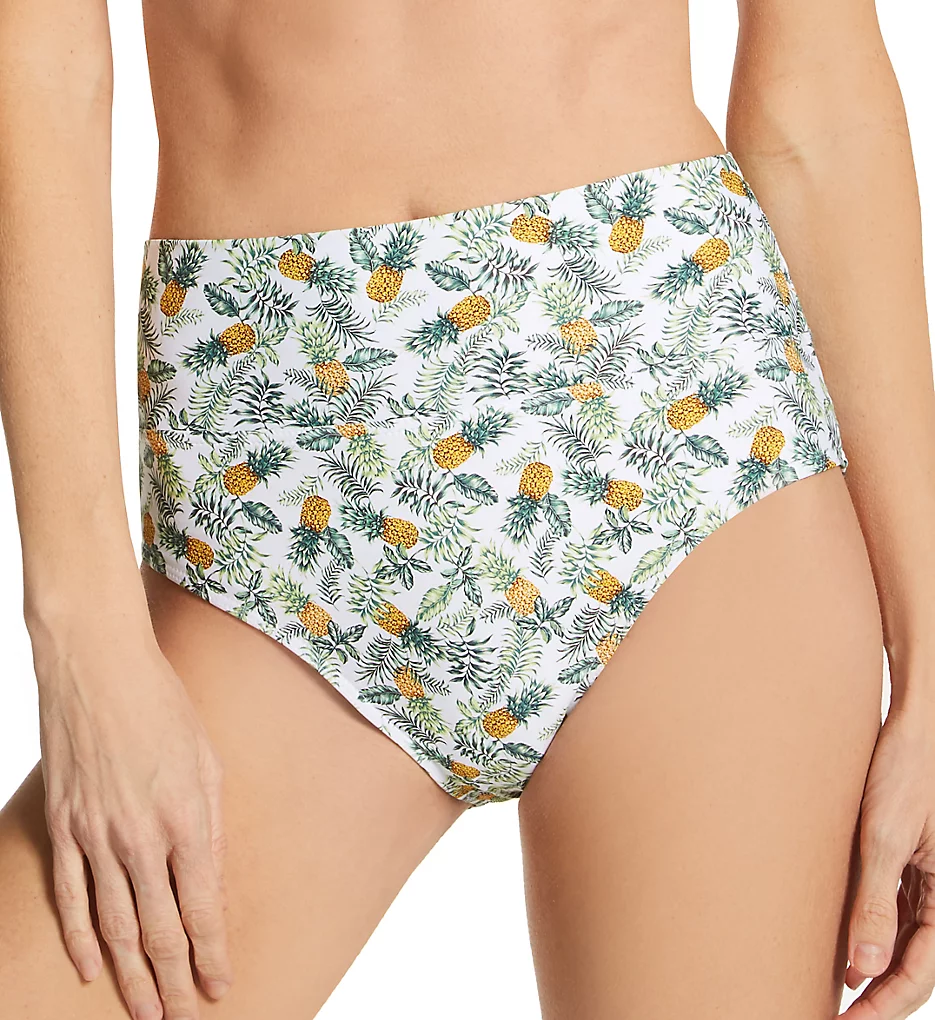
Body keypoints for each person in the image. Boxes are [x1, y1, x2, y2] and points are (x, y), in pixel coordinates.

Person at [0, 0, 932, 1017]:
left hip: (685, 428)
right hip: (276, 479)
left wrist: (931, 659)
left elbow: (818, 98)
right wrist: (82, 637)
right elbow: (36, 55)